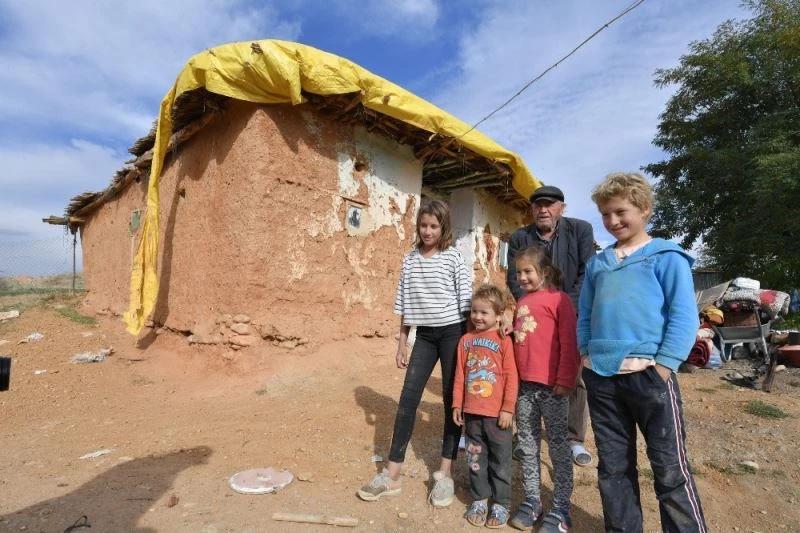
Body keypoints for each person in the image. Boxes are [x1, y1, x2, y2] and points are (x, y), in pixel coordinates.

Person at [578, 172, 707, 532]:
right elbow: (585, 315)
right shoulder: (598, 264)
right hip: (603, 378)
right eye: (605, 214)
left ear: (645, 209)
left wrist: (665, 366)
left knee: (669, 470)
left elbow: (684, 316)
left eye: (620, 212)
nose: (613, 221)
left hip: (650, 378)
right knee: (613, 469)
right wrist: (585, 356)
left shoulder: (666, 256)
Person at [357, 199, 472, 508]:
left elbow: (466, 299)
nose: (428, 231)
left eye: (434, 226)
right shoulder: (410, 259)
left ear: (443, 227)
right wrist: (401, 343)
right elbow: (405, 303)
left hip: (453, 333)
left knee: (451, 401)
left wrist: (469, 341)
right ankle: (391, 475)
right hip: (424, 338)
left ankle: (444, 474)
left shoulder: (452, 258)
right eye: (423, 225)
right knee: (408, 400)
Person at [506, 185, 595, 467]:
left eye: (550, 204)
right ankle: (525, 435)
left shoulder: (580, 230)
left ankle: (573, 438)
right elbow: (513, 278)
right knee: (528, 371)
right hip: (533, 315)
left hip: (572, 309)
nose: (543, 209)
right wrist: (533, 305)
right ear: (532, 210)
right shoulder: (520, 237)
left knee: (574, 373)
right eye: (538, 205)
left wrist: (562, 305)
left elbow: (587, 271)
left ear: (561, 208)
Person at [508, 246, 580, 532]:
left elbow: (569, 344)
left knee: (559, 447)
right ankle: (532, 500)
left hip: (552, 388)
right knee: (526, 445)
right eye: (518, 272)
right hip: (525, 387)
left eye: (527, 271)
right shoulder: (522, 300)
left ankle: (561, 506)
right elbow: (522, 337)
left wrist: (565, 380)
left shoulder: (559, 300)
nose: (522, 277)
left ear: (545, 272)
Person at [453, 285, 518, 528]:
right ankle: (480, 499)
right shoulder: (465, 341)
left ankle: (501, 503)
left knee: (500, 460)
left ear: (499, 315)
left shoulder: (503, 340)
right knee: (475, 458)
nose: (478, 317)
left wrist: (508, 408)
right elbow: (460, 374)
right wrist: (457, 404)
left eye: (484, 313)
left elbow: (511, 376)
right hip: (471, 413)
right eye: (475, 311)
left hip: (497, 415)